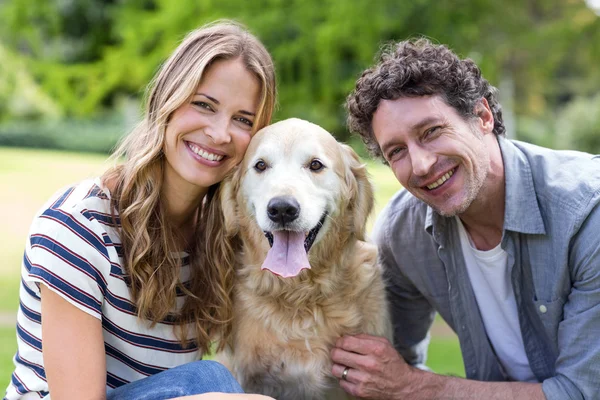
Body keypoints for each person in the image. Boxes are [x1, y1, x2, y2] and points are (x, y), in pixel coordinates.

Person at [4, 21, 277, 400]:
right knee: (211, 385)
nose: (219, 133)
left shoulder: (221, 237)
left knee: (209, 381)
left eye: (243, 120)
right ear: (166, 100)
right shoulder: (78, 226)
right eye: (203, 105)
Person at [330, 38, 600, 399]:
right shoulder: (401, 234)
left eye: (431, 132)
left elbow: (582, 392)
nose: (421, 165)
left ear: (483, 116)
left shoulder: (587, 213)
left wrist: (418, 388)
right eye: (397, 152)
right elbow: (387, 373)